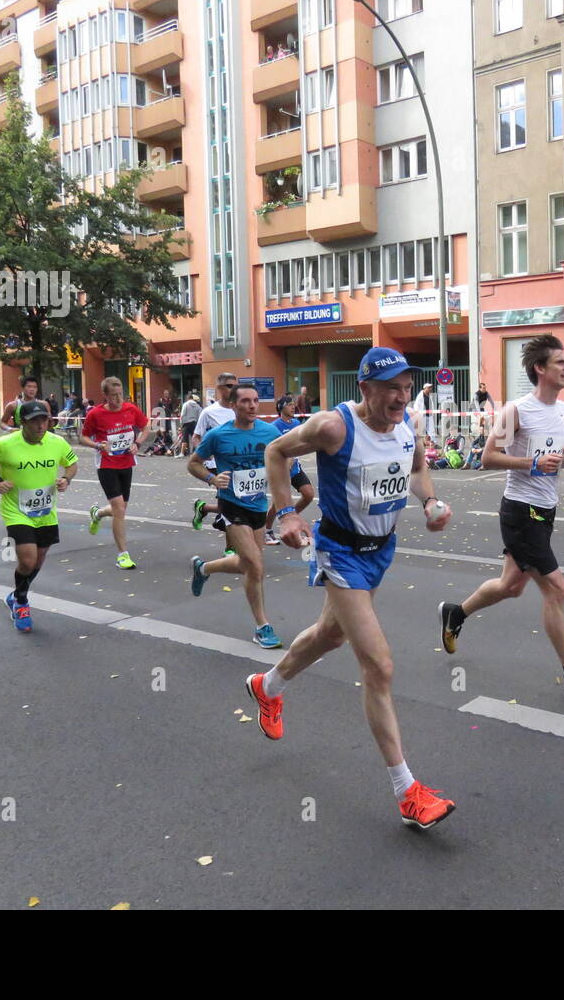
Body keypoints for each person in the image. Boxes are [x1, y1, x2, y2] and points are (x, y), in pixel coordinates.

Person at [247, 347, 457, 829]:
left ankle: (267, 685)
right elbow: (275, 451)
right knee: (379, 665)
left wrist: (430, 501)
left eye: (406, 388)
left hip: (380, 550)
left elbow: (417, 466)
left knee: (330, 635)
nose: (400, 397)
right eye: (390, 388)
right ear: (365, 388)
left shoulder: (407, 425)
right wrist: (286, 513)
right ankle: (407, 791)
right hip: (339, 551)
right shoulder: (333, 427)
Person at [438, 335, 564, 698]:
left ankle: (456, 613)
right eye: (560, 362)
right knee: (557, 589)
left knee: (511, 586)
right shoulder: (515, 411)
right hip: (520, 511)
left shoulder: (563, 411)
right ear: (540, 369)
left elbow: (554, 462)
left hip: (546, 510)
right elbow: (487, 457)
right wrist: (531, 463)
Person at [188, 383, 283, 648]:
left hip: (258, 506)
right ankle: (262, 626)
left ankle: (204, 568)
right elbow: (193, 463)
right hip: (232, 505)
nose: (252, 406)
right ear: (233, 405)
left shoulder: (270, 432)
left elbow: (284, 458)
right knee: (255, 565)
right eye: (245, 401)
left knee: (248, 566)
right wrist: (212, 478)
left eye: (255, 400)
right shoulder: (219, 435)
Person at [0, 400, 78, 633]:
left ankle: (16, 594)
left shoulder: (57, 442)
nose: (40, 426)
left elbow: (72, 463)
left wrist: (66, 479)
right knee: (28, 561)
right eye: (34, 421)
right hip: (16, 511)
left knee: (39, 560)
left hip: (46, 511)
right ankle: (21, 603)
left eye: (44, 420)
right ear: (22, 423)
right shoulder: (5, 444)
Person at [81, 377, 148, 569]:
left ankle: (98, 513)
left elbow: (145, 427)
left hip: (126, 463)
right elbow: (83, 437)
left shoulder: (131, 409)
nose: (118, 399)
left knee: (120, 509)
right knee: (119, 508)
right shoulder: (96, 414)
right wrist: (97, 445)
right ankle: (123, 555)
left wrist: (137, 443)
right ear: (105, 395)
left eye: (120, 394)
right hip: (106, 464)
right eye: (113, 395)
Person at [189, 373, 239, 531]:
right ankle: (230, 539)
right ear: (219, 388)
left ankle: (203, 508)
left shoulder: (239, 409)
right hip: (216, 465)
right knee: (230, 503)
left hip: (237, 463)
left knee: (233, 502)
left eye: (236, 386)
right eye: (230, 386)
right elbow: (196, 437)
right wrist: (204, 453)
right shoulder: (209, 412)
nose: (234, 389)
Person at [263, 394, 314, 545]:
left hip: (295, 467)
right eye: (289, 404)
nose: (293, 407)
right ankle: (266, 530)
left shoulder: (296, 423)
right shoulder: (275, 426)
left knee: (308, 494)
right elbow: (273, 450)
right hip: (281, 470)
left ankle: (290, 520)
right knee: (277, 504)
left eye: (293, 404)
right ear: (281, 408)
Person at [179, 391, 202, 457]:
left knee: (184, 439)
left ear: (188, 398)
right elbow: (199, 415)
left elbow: (182, 414)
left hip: (186, 424)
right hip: (194, 423)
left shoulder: (185, 404)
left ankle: (182, 453)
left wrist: (181, 423)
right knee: (194, 438)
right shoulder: (197, 406)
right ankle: (196, 453)